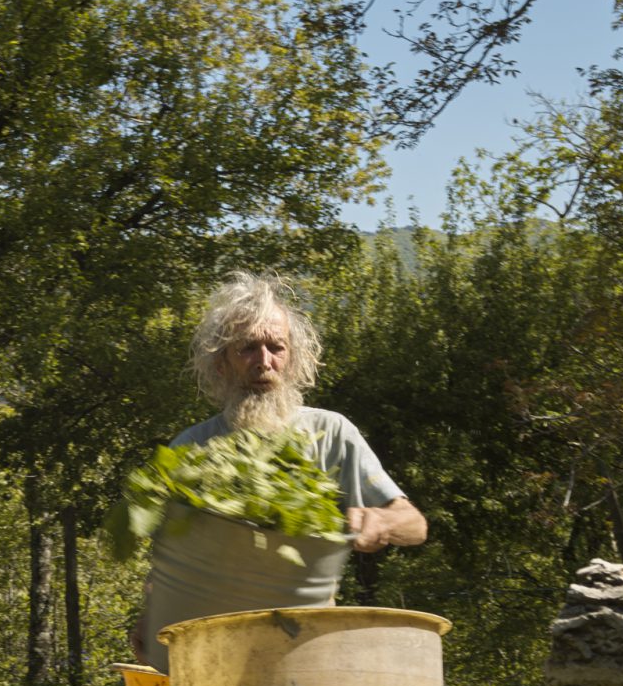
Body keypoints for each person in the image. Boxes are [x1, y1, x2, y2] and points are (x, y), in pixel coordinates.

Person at [131, 272, 426, 664]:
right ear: (222, 363)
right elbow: (173, 558)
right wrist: (151, 610)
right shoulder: (191, 449)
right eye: (248, 348)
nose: (264, 362)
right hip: (213, 648)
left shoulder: (329, 433)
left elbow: (414, 523)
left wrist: (380, 522)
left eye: (276, 347)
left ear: (292, 360)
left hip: (308, 648)